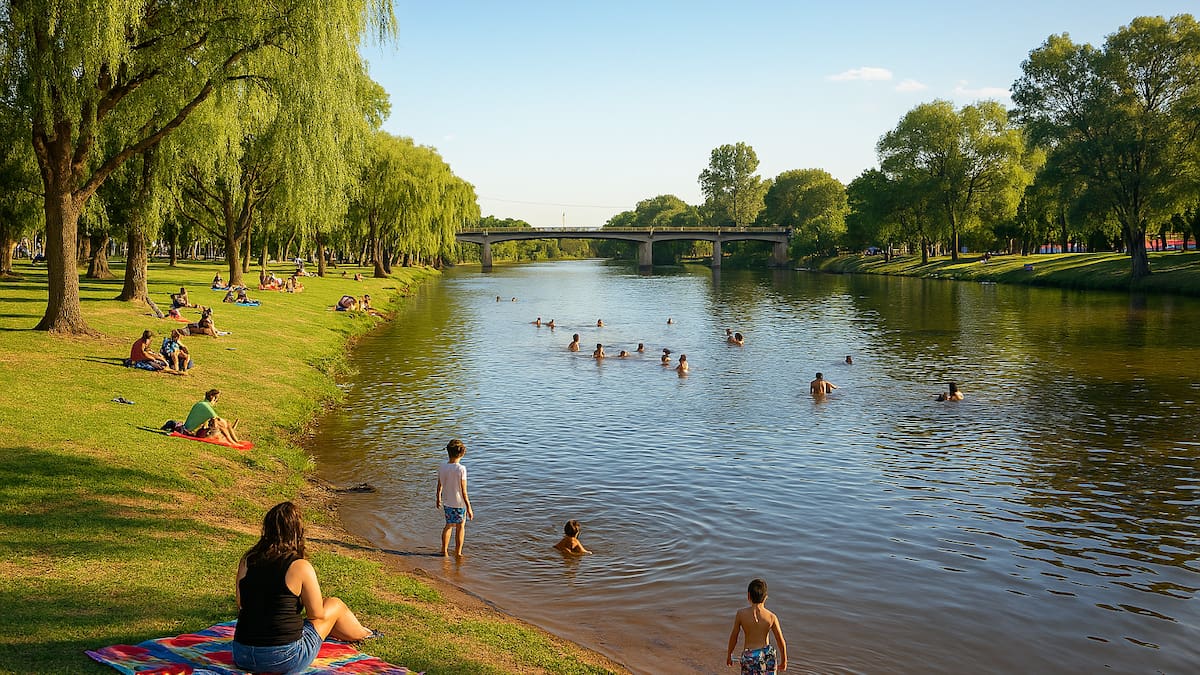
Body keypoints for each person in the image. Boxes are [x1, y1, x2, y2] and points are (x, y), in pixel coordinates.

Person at [230, 502, 378, 674]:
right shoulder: (299, 566)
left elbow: (241, 604)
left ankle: (361, 633)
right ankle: (365, 634)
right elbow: (316, 614)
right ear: (297, 533)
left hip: (242, 654)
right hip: (284, 659)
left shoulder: (248, 559)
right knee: (334, 605)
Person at [726, 578, 787, 674]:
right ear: (766, 597)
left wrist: (729, 654)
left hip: (750, 656)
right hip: (767, 655)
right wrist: (784, 661)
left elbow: (734, 637)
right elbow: (780, 640)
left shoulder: (741, 614)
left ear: (748, 596)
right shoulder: (771, 617)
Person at [435, 439, 473, 557]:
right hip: (459, 503)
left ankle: (444, 550)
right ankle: (458, 552)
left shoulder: (442, 467)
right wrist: (469, 507)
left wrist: (438, 498)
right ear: (462, 453)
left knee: (449, 525)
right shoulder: (461, 469)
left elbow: (439, 485)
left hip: (447, 501)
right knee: (460, 526)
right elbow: (463, 491)